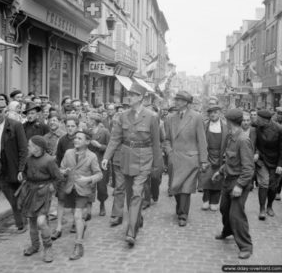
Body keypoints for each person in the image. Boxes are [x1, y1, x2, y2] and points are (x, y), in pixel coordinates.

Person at [102, 82, 163, 246]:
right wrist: (106, 157)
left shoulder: (152, 116)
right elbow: (115, 138)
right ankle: (138, 218)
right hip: (127, 158)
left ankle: (131, 231)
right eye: (130, 94)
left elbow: (156, 143)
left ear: (142, 97)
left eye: (134, 95)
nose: (130, 97)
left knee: (137, 193)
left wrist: (157, 166)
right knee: (130, 194)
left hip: (145, 158)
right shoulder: (123, 116)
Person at [212, 109, 254, 259]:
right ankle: (227, 231)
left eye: (225, 120)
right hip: (228, 179)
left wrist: (240, 185)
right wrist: (221, 171)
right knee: (224, 209)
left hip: (238, 181)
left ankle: (246, 246)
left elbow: (248, 168)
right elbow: (230, 160)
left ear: (229, 122)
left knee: (236, 215)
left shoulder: (243, 140)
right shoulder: (231, 137)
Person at [0, 101, 28, 245]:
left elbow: (23, 149)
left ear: (5, 111)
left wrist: (21, 169)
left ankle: (21, 222)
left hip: (8, 168)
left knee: (14, 198)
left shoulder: (15, 126)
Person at [164, 91, 208, 227]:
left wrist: (203, 160)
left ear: (186, 103)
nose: (176, 102)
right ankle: (180, 207)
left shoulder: (196, 117)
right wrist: (169, 152)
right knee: (175, 187)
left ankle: (183, 214)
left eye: (179, 100)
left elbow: (202, 140)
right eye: (176, 99)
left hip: (190, 158)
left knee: (186, 188)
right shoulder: (170, 118)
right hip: (175, 158)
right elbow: (166, 140)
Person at [18, 135, 61, 263]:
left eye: (29, 145)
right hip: (30, 192)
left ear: (37, 148)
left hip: (43, 193)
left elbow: (58, 177)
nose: (28, 147)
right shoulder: (28, 159)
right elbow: (25, 172)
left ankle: (48, 248)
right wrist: (22, 175)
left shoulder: (49, 160)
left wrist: (52, 187)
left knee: (41, 222)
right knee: (32, 221)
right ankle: (35, 245)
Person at [61, 130, 102, 260]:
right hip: (70, 189)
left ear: (87, 142)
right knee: (77, 216)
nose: (76, 140)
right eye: (75, 138)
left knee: (78, 216)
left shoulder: (92, 156)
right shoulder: (68, 153)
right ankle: (81, 226)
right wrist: (64, 172)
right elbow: (60, 168)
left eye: (79, 138)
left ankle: (78, 246)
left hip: (83, 190)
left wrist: (88, 179)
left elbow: (99, 174)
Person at [253, 110, 282, 220]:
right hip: (261, 160)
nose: (256, 120)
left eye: (259, 119)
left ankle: (269, 206)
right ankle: (262, 209)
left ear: (266, 121)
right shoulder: (256, 126)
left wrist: (281, 165)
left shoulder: (280, 130)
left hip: (275, 162)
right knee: (264, 183)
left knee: (273, 186)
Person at [51, 116, 79, 240]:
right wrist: (59, 172)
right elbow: (58, 158)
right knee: (61, 199)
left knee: (75, 200)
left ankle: (75, 222)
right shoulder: (62, 140)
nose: (70, 128)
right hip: (64, 174)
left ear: (77, 127)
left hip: (77, 175)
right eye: (68, 126)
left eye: (73, 126)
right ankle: (58, 227)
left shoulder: (80, 139)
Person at [201, 104, 228, 211]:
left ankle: (215, 201)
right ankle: (206, 200)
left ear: (220, 114)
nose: (213, 114)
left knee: (218, 179)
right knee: (206, 177)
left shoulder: (226, 126)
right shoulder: (204, 125)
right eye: (211, 112)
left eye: (215, 112)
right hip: (208, 155)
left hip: (220, 155)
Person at [88, 113, 110, 217]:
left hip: (101, 161)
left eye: (90, 119)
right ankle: (88, 209)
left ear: (94, 121)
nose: (88, 121)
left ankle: (102, 204)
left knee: (101, 186)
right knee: (89, 185)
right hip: (89, 162)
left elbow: (110, 147)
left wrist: (100, 145)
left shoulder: (104, 131)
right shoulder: (87, 132)